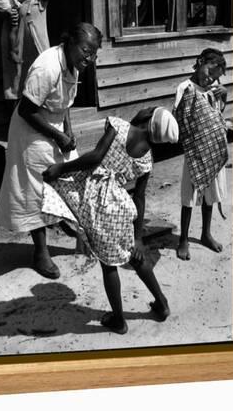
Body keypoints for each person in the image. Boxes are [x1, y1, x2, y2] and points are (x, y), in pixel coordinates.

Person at [42, 107, 179, 335]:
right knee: (135, 256)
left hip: (97, 202)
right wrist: (138, 238)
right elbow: (139, 197)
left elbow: (95, 157)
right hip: (121, 208)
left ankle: (118, 319)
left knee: (108, 265)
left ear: (148, 119)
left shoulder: (119, 127)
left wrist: (61, 168)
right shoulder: (147, 159)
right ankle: (162, 303)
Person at [0, 22, 102, 280]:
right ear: (70, 43)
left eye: (94, 53)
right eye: (86, 50)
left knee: (72, 178)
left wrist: (69, 130)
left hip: (54, 126)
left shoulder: (74, 64)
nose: (90, 57)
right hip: (31, 131)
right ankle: (40, 253)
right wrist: (58, 135)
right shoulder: (48, 66)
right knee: (36, 191)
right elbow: (26, 110)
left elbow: (64, 104)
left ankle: (77, 231)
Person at [173, 48, 228, 261]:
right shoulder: (184, 88)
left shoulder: (213, 88)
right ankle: (183, 239)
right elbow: (179, 117)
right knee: (190, 195)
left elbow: (217, 114)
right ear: (200, 62)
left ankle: (206, 234)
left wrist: (224, 95)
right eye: (209, 72)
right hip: (195, 153)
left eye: (215, 77)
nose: (210, 79)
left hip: (213, 151)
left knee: (210, 195)